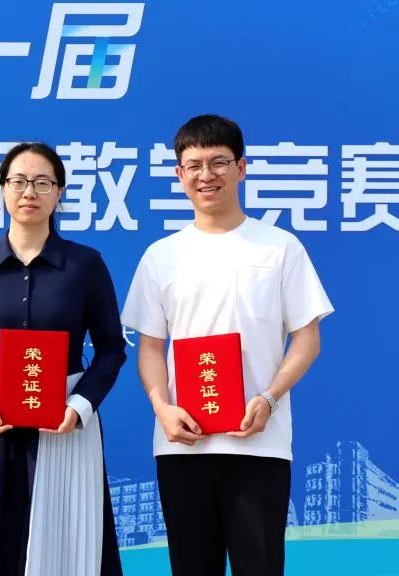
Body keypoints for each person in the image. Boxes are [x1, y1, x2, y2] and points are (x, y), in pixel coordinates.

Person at [121, 114, 334, 575]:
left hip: (259, 442)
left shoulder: (279, 247)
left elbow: (307, 338)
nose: (206, 175)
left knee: (260, 566)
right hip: (182, 443)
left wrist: (269, 398)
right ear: (179, 174)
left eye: (218, 162)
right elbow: (151, 347)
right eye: (194, 165)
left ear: (241, 167)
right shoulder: (161, 256)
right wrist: (162, 408)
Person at [0, 142, 125, 576]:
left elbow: (111, 348)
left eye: (43, 182)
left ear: (59, 192)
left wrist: (79, 406)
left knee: (70, 546)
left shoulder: (85, 265)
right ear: (2, 189)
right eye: (19, 181)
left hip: (65, 425)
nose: (29, 192)